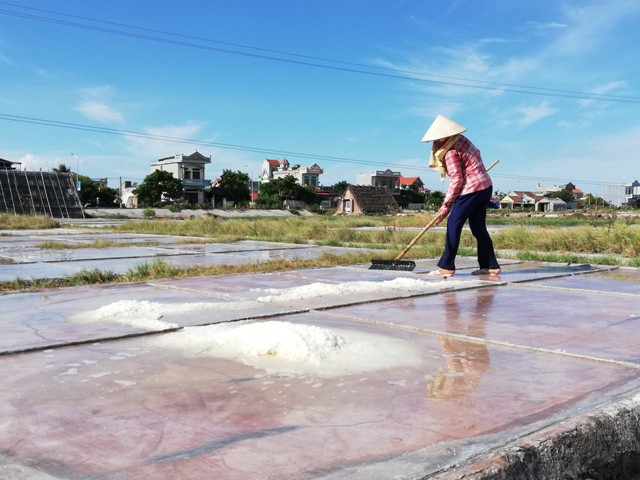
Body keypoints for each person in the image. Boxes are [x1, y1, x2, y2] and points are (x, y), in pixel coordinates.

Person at [422, 115, 501, 277]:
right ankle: (491, 266)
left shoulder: (450, 151)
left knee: (453, 224)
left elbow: (457, 179)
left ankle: (447, 267)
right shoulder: (461, 139)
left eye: (438, 139)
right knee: (478, 228)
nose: (435, 142)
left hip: (471, 189)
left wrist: (446, 206)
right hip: (485, 186)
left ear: (445, 135)